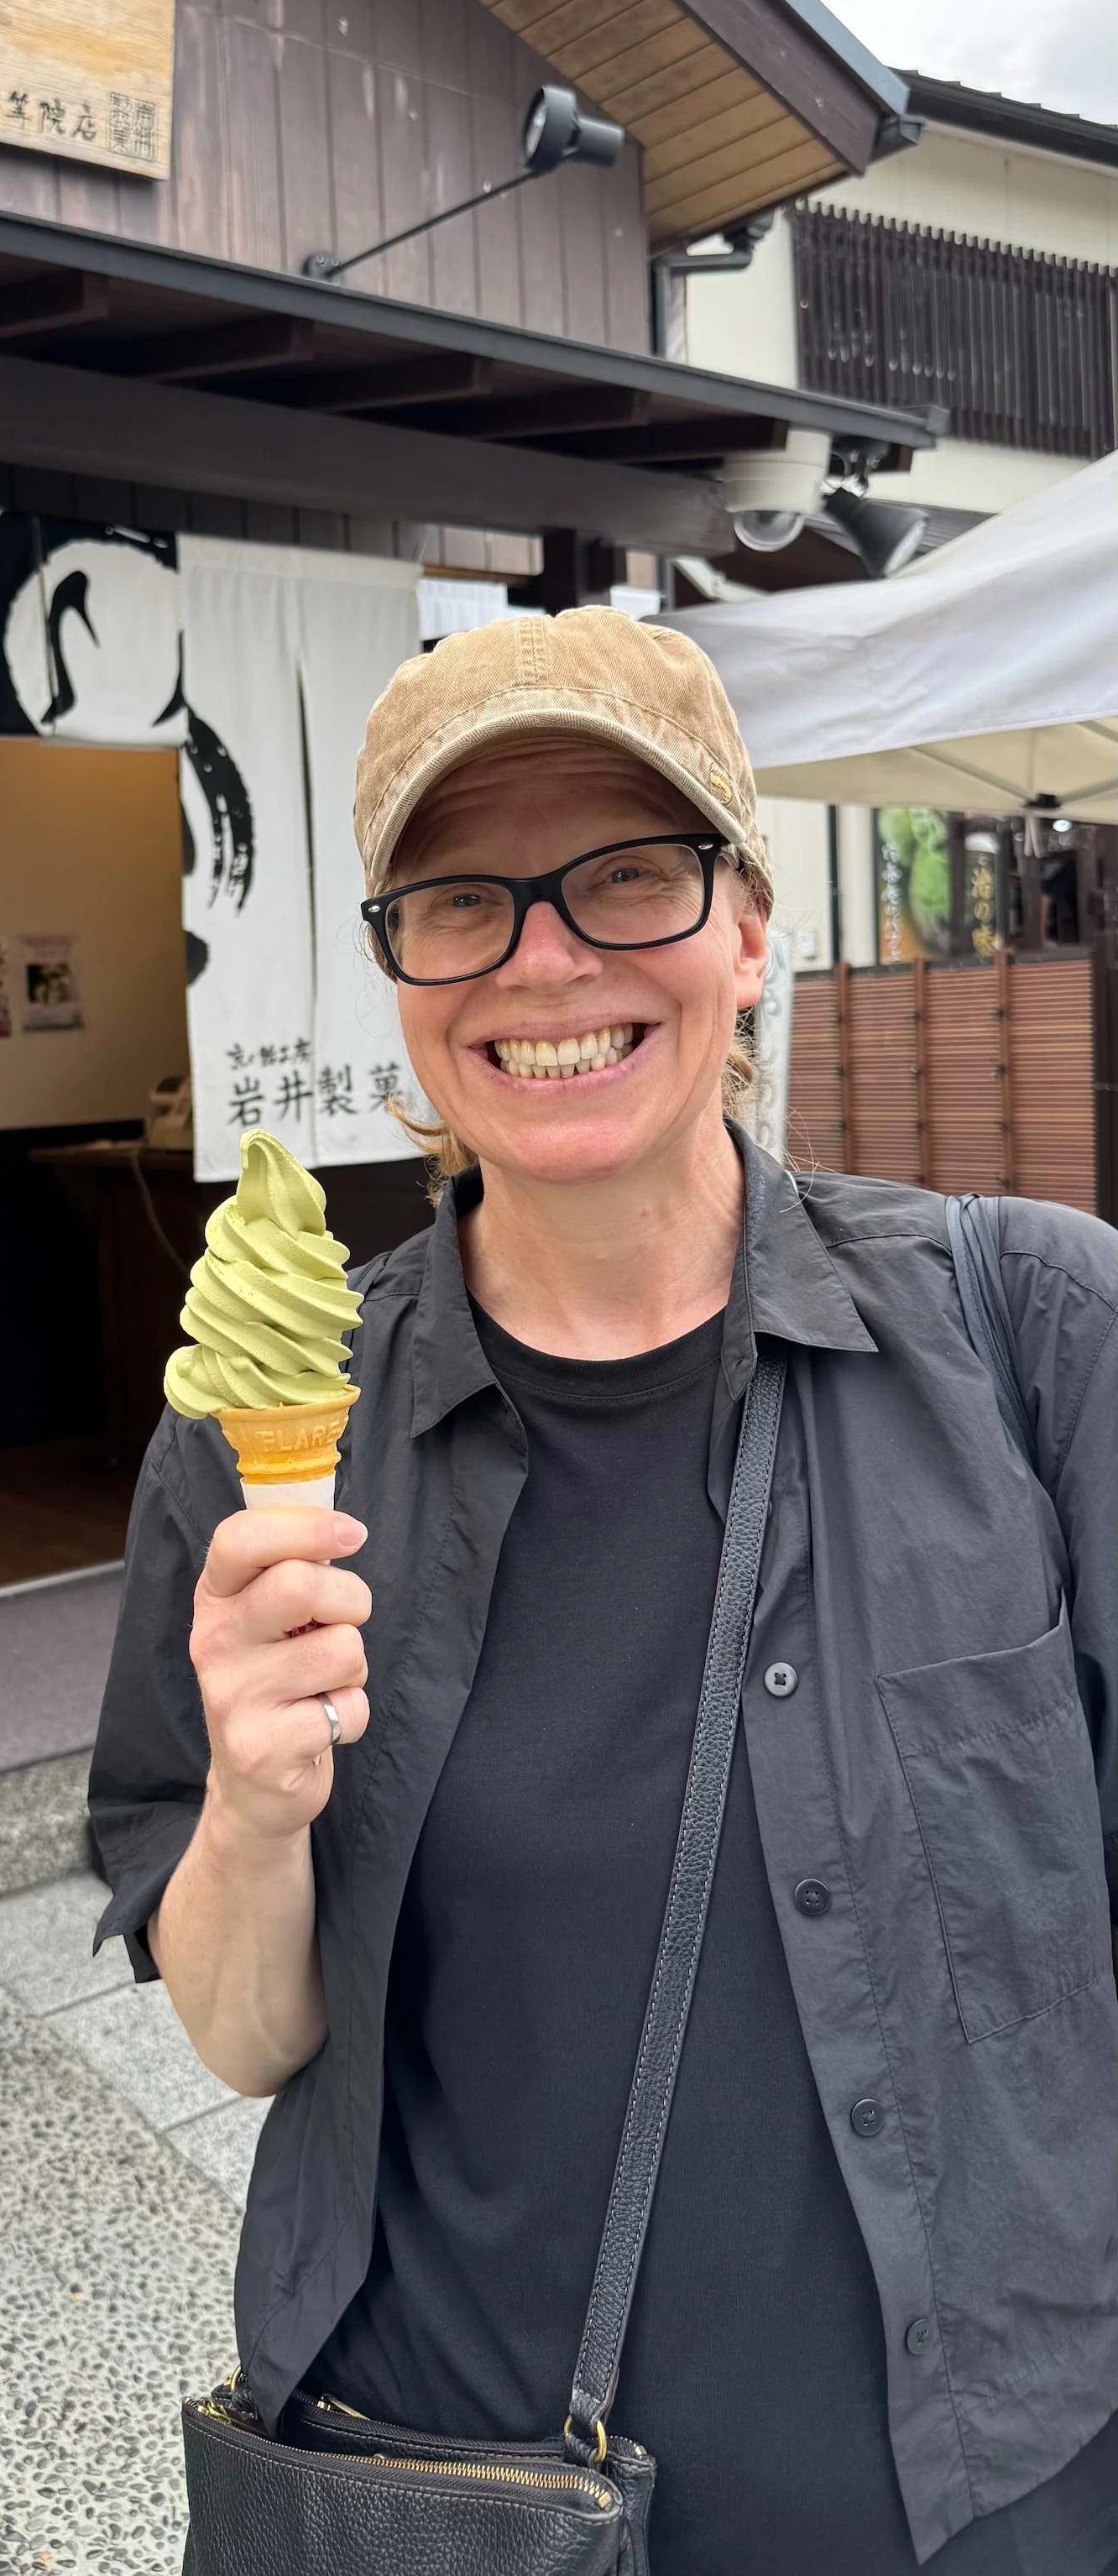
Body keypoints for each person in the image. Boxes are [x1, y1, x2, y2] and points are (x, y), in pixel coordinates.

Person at [89, 607, 1118, 2573]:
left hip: (983, 2491)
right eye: (462, 896)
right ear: (399, 966)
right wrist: (255, 1797)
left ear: (746, 921)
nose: (544, 957)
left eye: (626, 872)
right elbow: (242, 2035)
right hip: (459, 2486)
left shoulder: (1034, 1338)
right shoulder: (251, 1455)